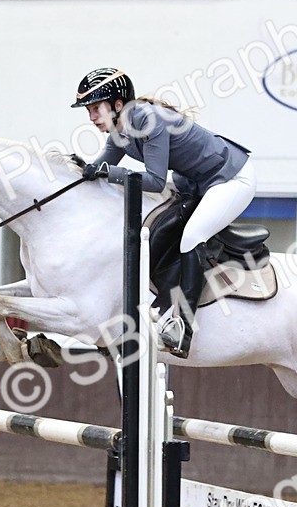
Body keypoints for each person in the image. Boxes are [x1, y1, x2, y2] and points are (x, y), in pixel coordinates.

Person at [71, 67, 256, 359]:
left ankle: (183, 326)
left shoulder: (148, 120)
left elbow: (155, 181)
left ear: (118, 105)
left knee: (192, 235)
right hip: (196, 184)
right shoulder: (120, 130)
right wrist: (78, 172)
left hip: (230, 178)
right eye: (89, 110)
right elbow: (100, 168)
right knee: (162, 228)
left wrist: (107, 172)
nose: (91, 117)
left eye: (95, 108)